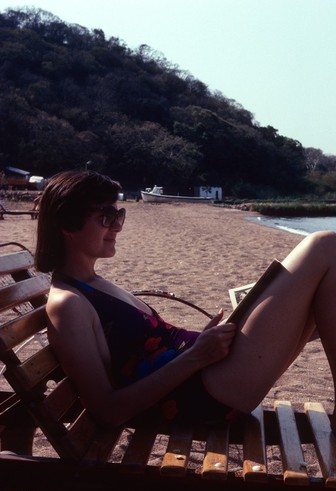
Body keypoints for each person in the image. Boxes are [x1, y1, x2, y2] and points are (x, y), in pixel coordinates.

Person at [35, 170, 336, 430]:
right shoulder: (68, 304)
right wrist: (195, 356)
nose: (116, 226)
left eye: (118, 215)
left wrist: (202, 347)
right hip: (203, 394)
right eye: (106, 217)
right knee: (325, 246)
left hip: (209, 372)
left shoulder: (92, 284)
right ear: (68, 224)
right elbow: (107, 412)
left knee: (321, 297)